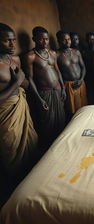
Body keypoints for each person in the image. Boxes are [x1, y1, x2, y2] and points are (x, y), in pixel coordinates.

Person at [0, 23, 38, 176]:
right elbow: (17, 82)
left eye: (14, 40)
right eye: (7, 41)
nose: (12, 44)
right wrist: (16, 82)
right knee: (11, 146)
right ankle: (14, 182)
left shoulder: (15, 59)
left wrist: (22, 80)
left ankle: (31, 176)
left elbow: (27, 84)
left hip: (21, 105)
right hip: (6, 113)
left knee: (31, 141)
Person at [23, 26, 66, 148]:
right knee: (47, 121)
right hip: (44, 93)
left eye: (46, 39)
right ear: (34, 39)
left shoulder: (52, 53)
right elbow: (30, 78)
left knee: (61, 119)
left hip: (57, 90)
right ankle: (49, 148)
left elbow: (58, 71)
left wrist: (63, 88)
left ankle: (61, 145)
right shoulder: (30, 56)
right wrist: (39, 99)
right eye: (41, 39)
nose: (45, 42)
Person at [56, 31, 87, 118]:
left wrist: (81, 79)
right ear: (58, 41)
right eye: (64, 40)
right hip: (68, 85)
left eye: (69, 39)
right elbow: (57, 73)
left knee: (83, 108)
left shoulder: (76, 52)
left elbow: (83, 67)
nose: (67, 41)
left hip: (80, 83)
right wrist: (62, 88)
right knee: (71, 110)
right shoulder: (57, 55)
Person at [83, 32, 94, 104]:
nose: (91, 41)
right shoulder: (84, 51)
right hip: (88, 74)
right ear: (86, 40)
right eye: (89, 39)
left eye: (93, 39)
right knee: (90, 92)